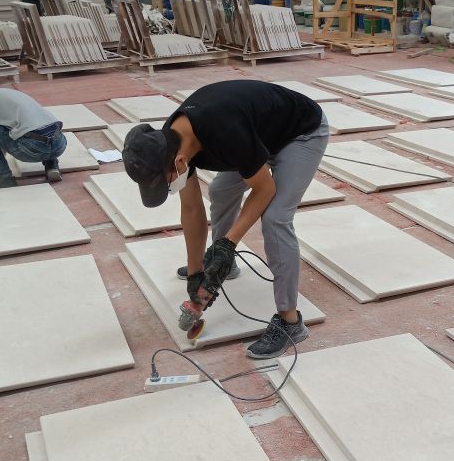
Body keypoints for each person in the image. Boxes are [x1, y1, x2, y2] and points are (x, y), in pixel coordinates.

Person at [122, 79, 330, 359]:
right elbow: (192, 210)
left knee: (275, 218)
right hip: (257, 136)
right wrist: (196, 274)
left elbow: (264, 189)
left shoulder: (224, 131)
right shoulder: (170, 143)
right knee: (220, 191)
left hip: (300, 133)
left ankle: (290, 321)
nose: (167, 186)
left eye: (165, 182)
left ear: (180, 162)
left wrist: (228, 243)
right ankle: (223, 267)